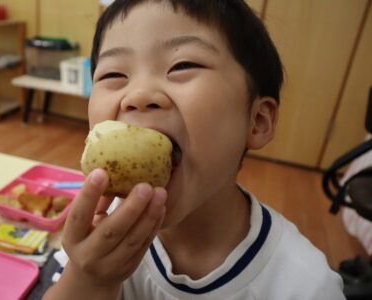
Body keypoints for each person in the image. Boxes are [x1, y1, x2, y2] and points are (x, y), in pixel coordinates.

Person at [43, 0, 344, 299]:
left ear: (257, 122)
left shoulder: (306, 286)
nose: (139, 95)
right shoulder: (103, 227)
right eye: (113, 75)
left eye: (183, 65)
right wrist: (88, 280)